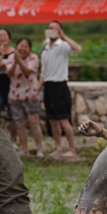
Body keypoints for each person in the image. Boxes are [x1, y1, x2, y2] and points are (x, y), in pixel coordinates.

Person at [39, 20, 80, 157]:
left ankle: (72, 149)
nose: (52, 30)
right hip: (48, 86)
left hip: (60, 85)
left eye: (55, 29)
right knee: (52, 119)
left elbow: (77, 49)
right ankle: (58, 148)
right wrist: (37, 89)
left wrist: (63, 36)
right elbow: (43, 73)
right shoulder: (45, 48)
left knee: (63, 119)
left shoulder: (63, 46)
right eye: (50, 28)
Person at [6, 37, 43, 157]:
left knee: (34, 122)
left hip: (30, 94)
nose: (23, 49)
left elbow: (27, 71)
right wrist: (15, 61)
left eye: (25, 46)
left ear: (29, 48)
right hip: (14, 95)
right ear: (17, 47)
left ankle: (39, 150)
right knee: (19, 124)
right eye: (20, 46)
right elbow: (9, 74)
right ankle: (25, 150)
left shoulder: (34, 58)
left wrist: (19, 61)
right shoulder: (11, 58)